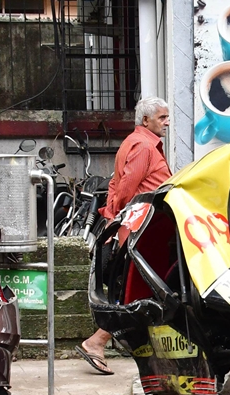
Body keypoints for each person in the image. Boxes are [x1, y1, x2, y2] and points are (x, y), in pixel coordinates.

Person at [76, 97, 172, 375]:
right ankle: (97, 341)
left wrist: (112, 216)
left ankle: (103, 342)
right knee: (143, 292)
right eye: (162, 118)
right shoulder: (144, 147)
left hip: (133, 227)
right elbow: (128, 190)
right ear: (146, 121)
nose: (167, 122)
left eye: (166, 117)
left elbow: (117, 185)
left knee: (139, 291)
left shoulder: (133, 142)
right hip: (141, 230)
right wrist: (117, 216)